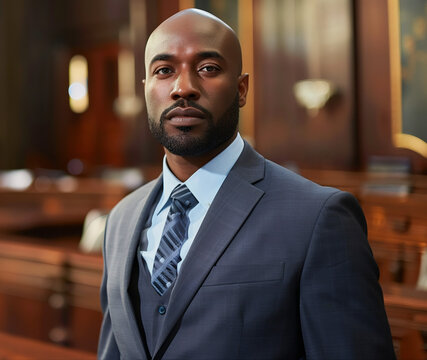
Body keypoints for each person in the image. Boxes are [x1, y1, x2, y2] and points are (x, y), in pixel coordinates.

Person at [98, 8, 395, 360]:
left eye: (207, 68)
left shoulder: (318, 217)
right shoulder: (122, 219)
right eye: (164, 71)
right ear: (146, 90)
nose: (183, 88)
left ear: (241, 89)